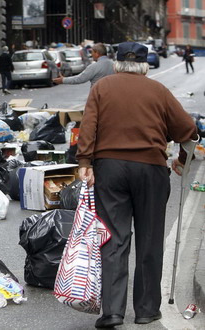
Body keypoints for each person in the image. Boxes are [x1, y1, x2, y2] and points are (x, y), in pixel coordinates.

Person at [76, 41, 198, 329]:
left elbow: (88, 125)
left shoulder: (102, 88)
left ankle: (113, 312)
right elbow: (187, 130)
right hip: (150, 169)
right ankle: (145, 310)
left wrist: (85, 163)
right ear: (145, 65)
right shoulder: (159, 90)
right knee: (150, 239)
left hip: (110, 170)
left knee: (114, 240)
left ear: (117, 63)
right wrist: (181, 159)